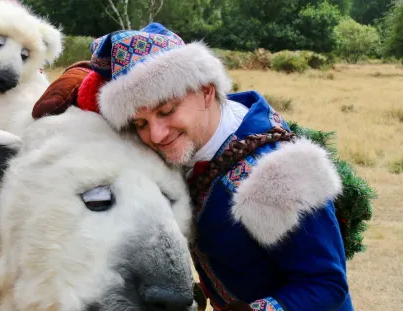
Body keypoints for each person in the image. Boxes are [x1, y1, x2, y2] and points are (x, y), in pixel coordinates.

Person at [32, 22, 354, 311]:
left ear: (205, 92)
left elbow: (327, 285)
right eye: (140, 122)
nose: (156, 134)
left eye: (167, 110)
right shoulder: (188, 148)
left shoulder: (280, 172)